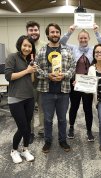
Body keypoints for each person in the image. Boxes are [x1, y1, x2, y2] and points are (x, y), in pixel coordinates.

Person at [60, 24, 101, 141]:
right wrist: (69, 32)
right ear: (78, 39)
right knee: (74, 107)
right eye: (81, 38)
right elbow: (61, 43)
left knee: (87, 108)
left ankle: (89, 130)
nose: (83, 40)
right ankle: (71, 127)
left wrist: (97, 32)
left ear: (89, 39)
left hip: (88, 84)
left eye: (85, 38)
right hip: (74, 83)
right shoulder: (72, 48)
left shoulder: (93, 50)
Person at [35, 23, 76, 153]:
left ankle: (62, 140)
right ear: (48, 34)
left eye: (57, 32)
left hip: (63, 91)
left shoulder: (67, 50)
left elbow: (73, 66)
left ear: (59, 34)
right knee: (47, 119)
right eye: (52, 32)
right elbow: (36, 69)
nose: (55, 34)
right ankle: (48, 141)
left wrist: (64, 75)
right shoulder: (41, 50)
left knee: (62, 118)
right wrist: (48, 76)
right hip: (46, 91)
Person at [5, 35, 37, 163]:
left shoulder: (29, 60)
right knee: (22, 127)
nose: (27, 48)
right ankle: (14, 150)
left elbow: (32, 80)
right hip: (15, 98)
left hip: (29, 97)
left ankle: (25, 149)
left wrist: (32, 71)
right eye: (25, 45)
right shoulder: (12, 57)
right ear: (20, 45)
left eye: (29, 46)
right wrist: (27, 70)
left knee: (28, 126)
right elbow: (8, 76)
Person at [26, 21, 46, 143]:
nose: (33, 32)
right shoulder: (24, 44)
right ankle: (30, 131)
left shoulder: (45, 45)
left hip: (43, 82)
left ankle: (42, 130)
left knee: (43, 108)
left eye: (35, 30)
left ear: (39, 31)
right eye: (31, 30)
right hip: (28, 82)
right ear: (27, 32)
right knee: (29, 108)